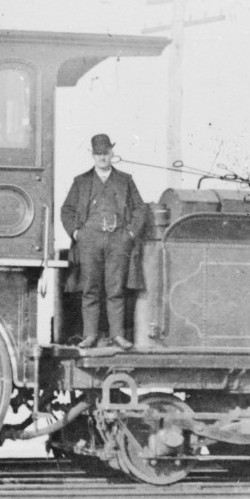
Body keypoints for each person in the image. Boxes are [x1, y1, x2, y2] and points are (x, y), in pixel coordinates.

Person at [59, 133, 145, 351]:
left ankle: (117, 335)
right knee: (90, 289)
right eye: (98, 154)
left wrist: (130, 234)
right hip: (90, 240)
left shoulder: (125, 180)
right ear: (92, 155)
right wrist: (76, 233)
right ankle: (90, 335)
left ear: (112, 153)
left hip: (118, 240)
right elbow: (67, 210)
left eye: (105, 153)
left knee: (115, 290)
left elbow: (139, 209)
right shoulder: (81, 181)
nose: (102, 158)